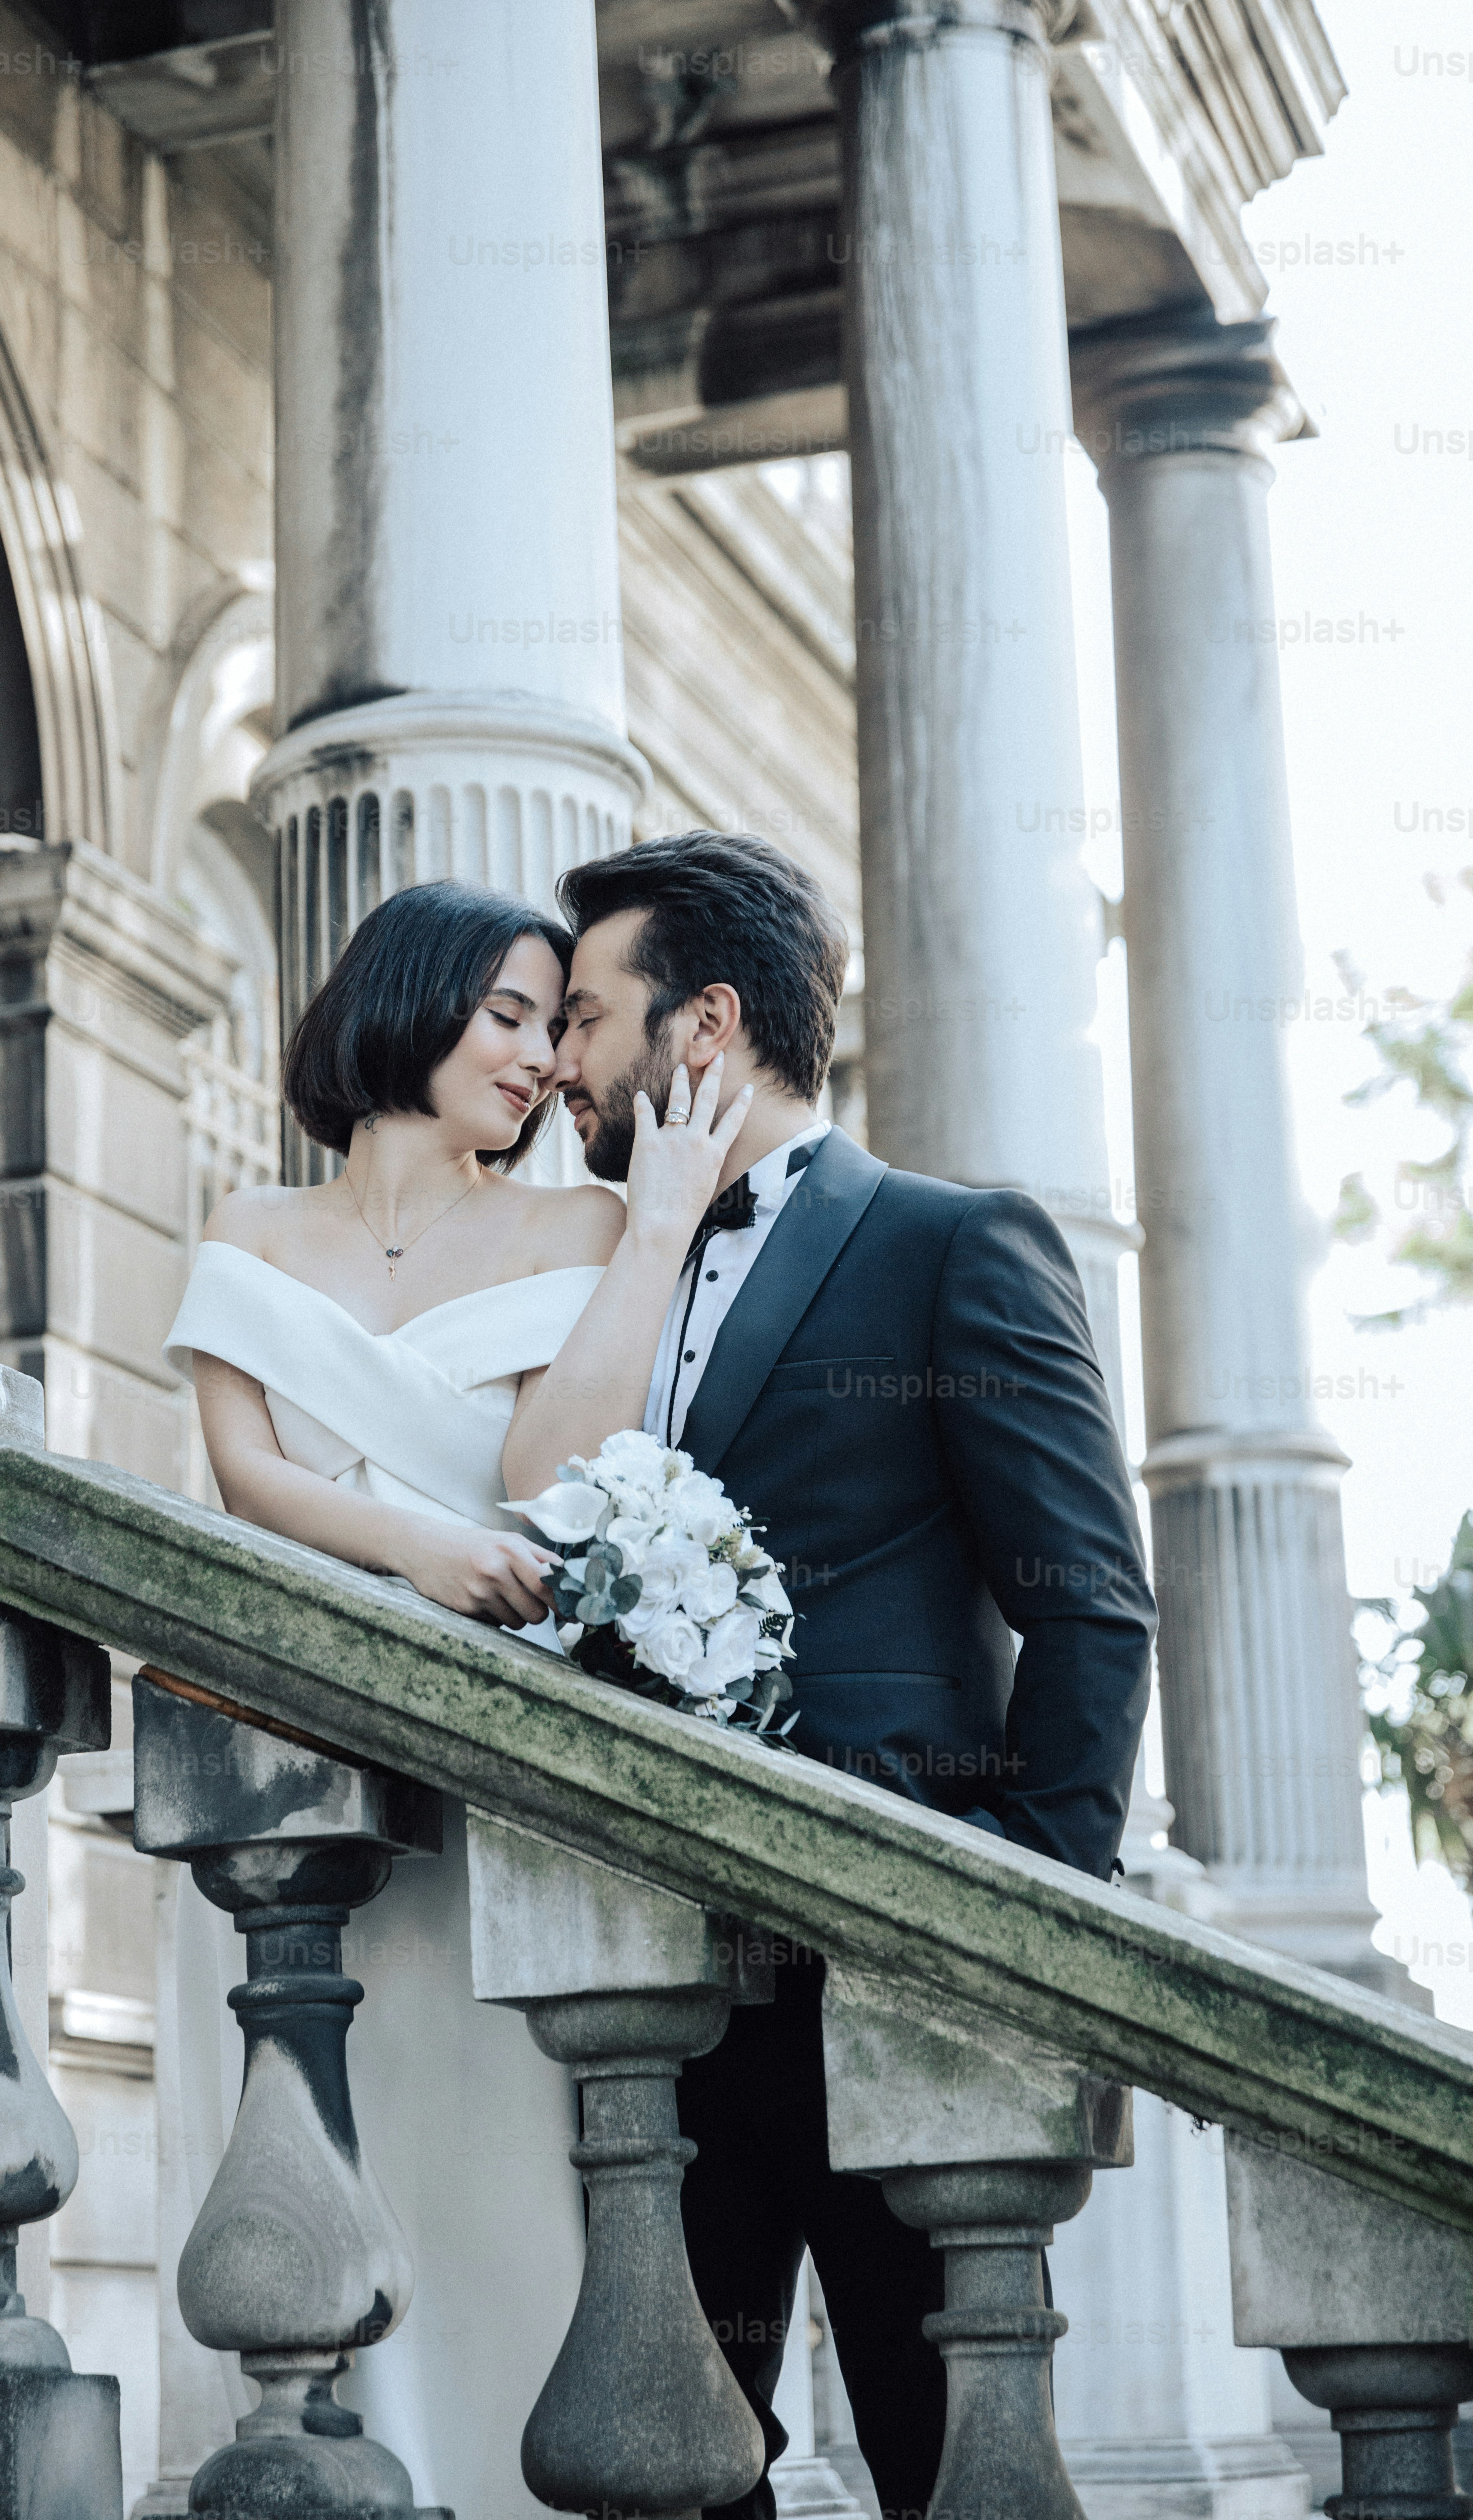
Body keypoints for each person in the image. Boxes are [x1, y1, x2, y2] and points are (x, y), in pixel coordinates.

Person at [548, 828, 1158, 2520]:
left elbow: (1093, 1604)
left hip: (897, 1963)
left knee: (936, 2447)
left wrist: (1021, 1919)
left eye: (589, 1017)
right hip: (650, 1983)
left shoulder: (954, 1244)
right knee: (661, 2461)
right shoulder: (592, 1270)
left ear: (702, 1026)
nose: (559, 1063)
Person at [161, 878, 751, 2520]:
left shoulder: (575, 1227)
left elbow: (600, 1444)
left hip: (491, 1774)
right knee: (310, 2173)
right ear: (406, 1004)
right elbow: (246, 1472)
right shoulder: (247, 1225)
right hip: (296, 1761)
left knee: (502, 2186)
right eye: (508, 1014)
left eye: (559, 1026)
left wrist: (658, 1223)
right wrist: (420, 1545)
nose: (540, 1059)